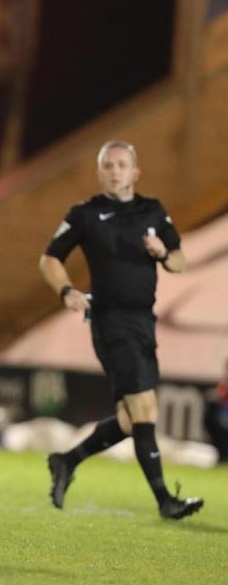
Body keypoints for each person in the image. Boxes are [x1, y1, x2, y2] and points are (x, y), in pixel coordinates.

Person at [40, 140, 203, 520]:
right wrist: (66, 291)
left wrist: (163, 252)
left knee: (132, 420)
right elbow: (49, 259)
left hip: (144, 322)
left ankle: (66, 460)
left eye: (121, 165)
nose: (115, 171)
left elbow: (180, 261)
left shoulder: (153, 211)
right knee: (145, 408)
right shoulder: (86, 214)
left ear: (135, 173)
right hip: (110, 322)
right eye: (108, 165)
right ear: (100, 174)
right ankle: (165, 500)